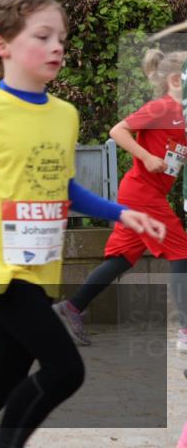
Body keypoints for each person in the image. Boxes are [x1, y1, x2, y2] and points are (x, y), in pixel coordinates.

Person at [0, 0, 165, 448]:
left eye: (62, 39)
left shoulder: (64, 116)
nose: (57, 47)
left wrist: (123, 212)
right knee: (65, 369)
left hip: (40, 268)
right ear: (1, 45)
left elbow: (64, 190)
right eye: (43, 36)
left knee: (4, 377)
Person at [54, 49, 187, 350]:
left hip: (141, 193)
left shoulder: (179, 115)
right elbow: (119, 131)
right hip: (143, 193)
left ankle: (72, 307)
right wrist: (146, 156)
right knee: (181, 251)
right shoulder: (161, 107)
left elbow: (172, 151)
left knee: (122, 258)